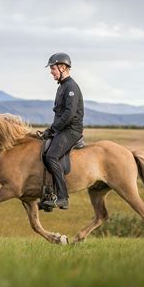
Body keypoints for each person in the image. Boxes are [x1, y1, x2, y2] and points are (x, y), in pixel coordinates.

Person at [41, 52, 84, 210]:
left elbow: (69, 114)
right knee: (43, 151)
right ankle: (48, 194)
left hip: (71, 130)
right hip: (62, 129)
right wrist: (50, 131)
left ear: (63, 67)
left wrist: (52, 129)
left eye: (53, 68)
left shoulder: (71, 87)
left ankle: (63, 198)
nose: (51, 72)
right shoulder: (62, 87)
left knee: (52, 156)